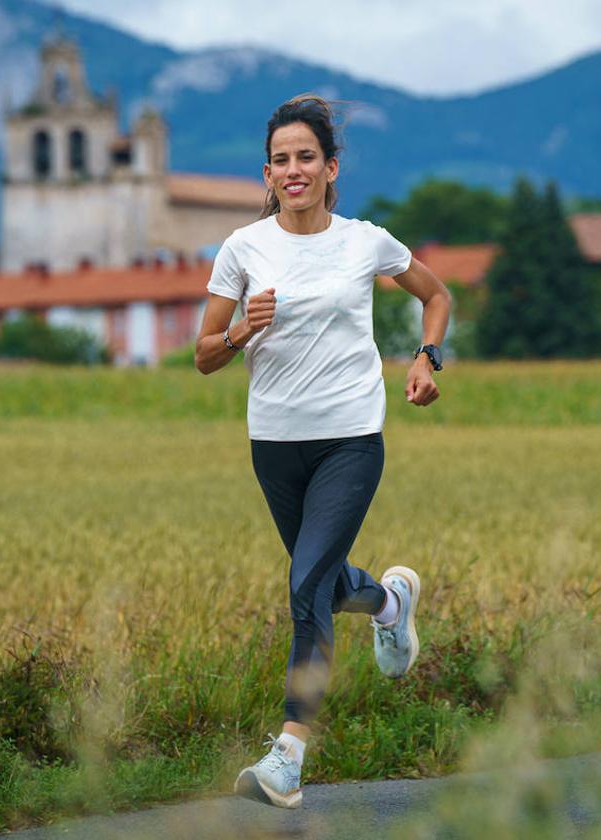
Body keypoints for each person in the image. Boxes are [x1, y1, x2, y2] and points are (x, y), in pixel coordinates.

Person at [195, 93, 451, 809]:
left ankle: (288, 758)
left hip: (350, 437)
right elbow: (204, 355)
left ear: (330, 167)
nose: (293, 169)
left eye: (306, 156)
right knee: (327, 584)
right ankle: (391, 603)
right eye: (281, 160)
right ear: (268, 173)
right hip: (274, 442)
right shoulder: (243, 250)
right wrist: (244, 329)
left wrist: (427, 359)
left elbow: (435, 294)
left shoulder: (364, 241)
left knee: (304, 588)